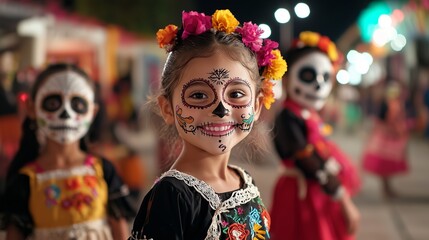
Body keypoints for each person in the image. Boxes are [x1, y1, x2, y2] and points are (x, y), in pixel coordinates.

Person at [129, 9, 287, 239]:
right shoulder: (173, 195)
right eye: (199, 96)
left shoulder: (244, 180)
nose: (221, 110)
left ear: (256, 106)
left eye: (236, 94)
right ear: (167, 108)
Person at [2, 63, 135, 240]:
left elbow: (121, 232)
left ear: (92, 111)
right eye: (52, 103)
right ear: (32, 109)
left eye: (78, 104)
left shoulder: (103, 170)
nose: (66, 114)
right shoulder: (25, 180)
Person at [270, 31, 361, 240]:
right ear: (288, 77)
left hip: (319, 194)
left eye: (326, 77)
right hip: (301, 195)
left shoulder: (308, 114)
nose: (319, 85)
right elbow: (304, 157)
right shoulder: (288, 116)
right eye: (308, 75)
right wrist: (342, 197)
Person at [362, 81, 410, 198]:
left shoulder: (397, 103)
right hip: (385, 139)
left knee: (388, 166)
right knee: (384, 165)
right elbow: (379, 121)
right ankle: (386, 189)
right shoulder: (385, 104)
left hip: (393, 137)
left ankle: (388, 188)